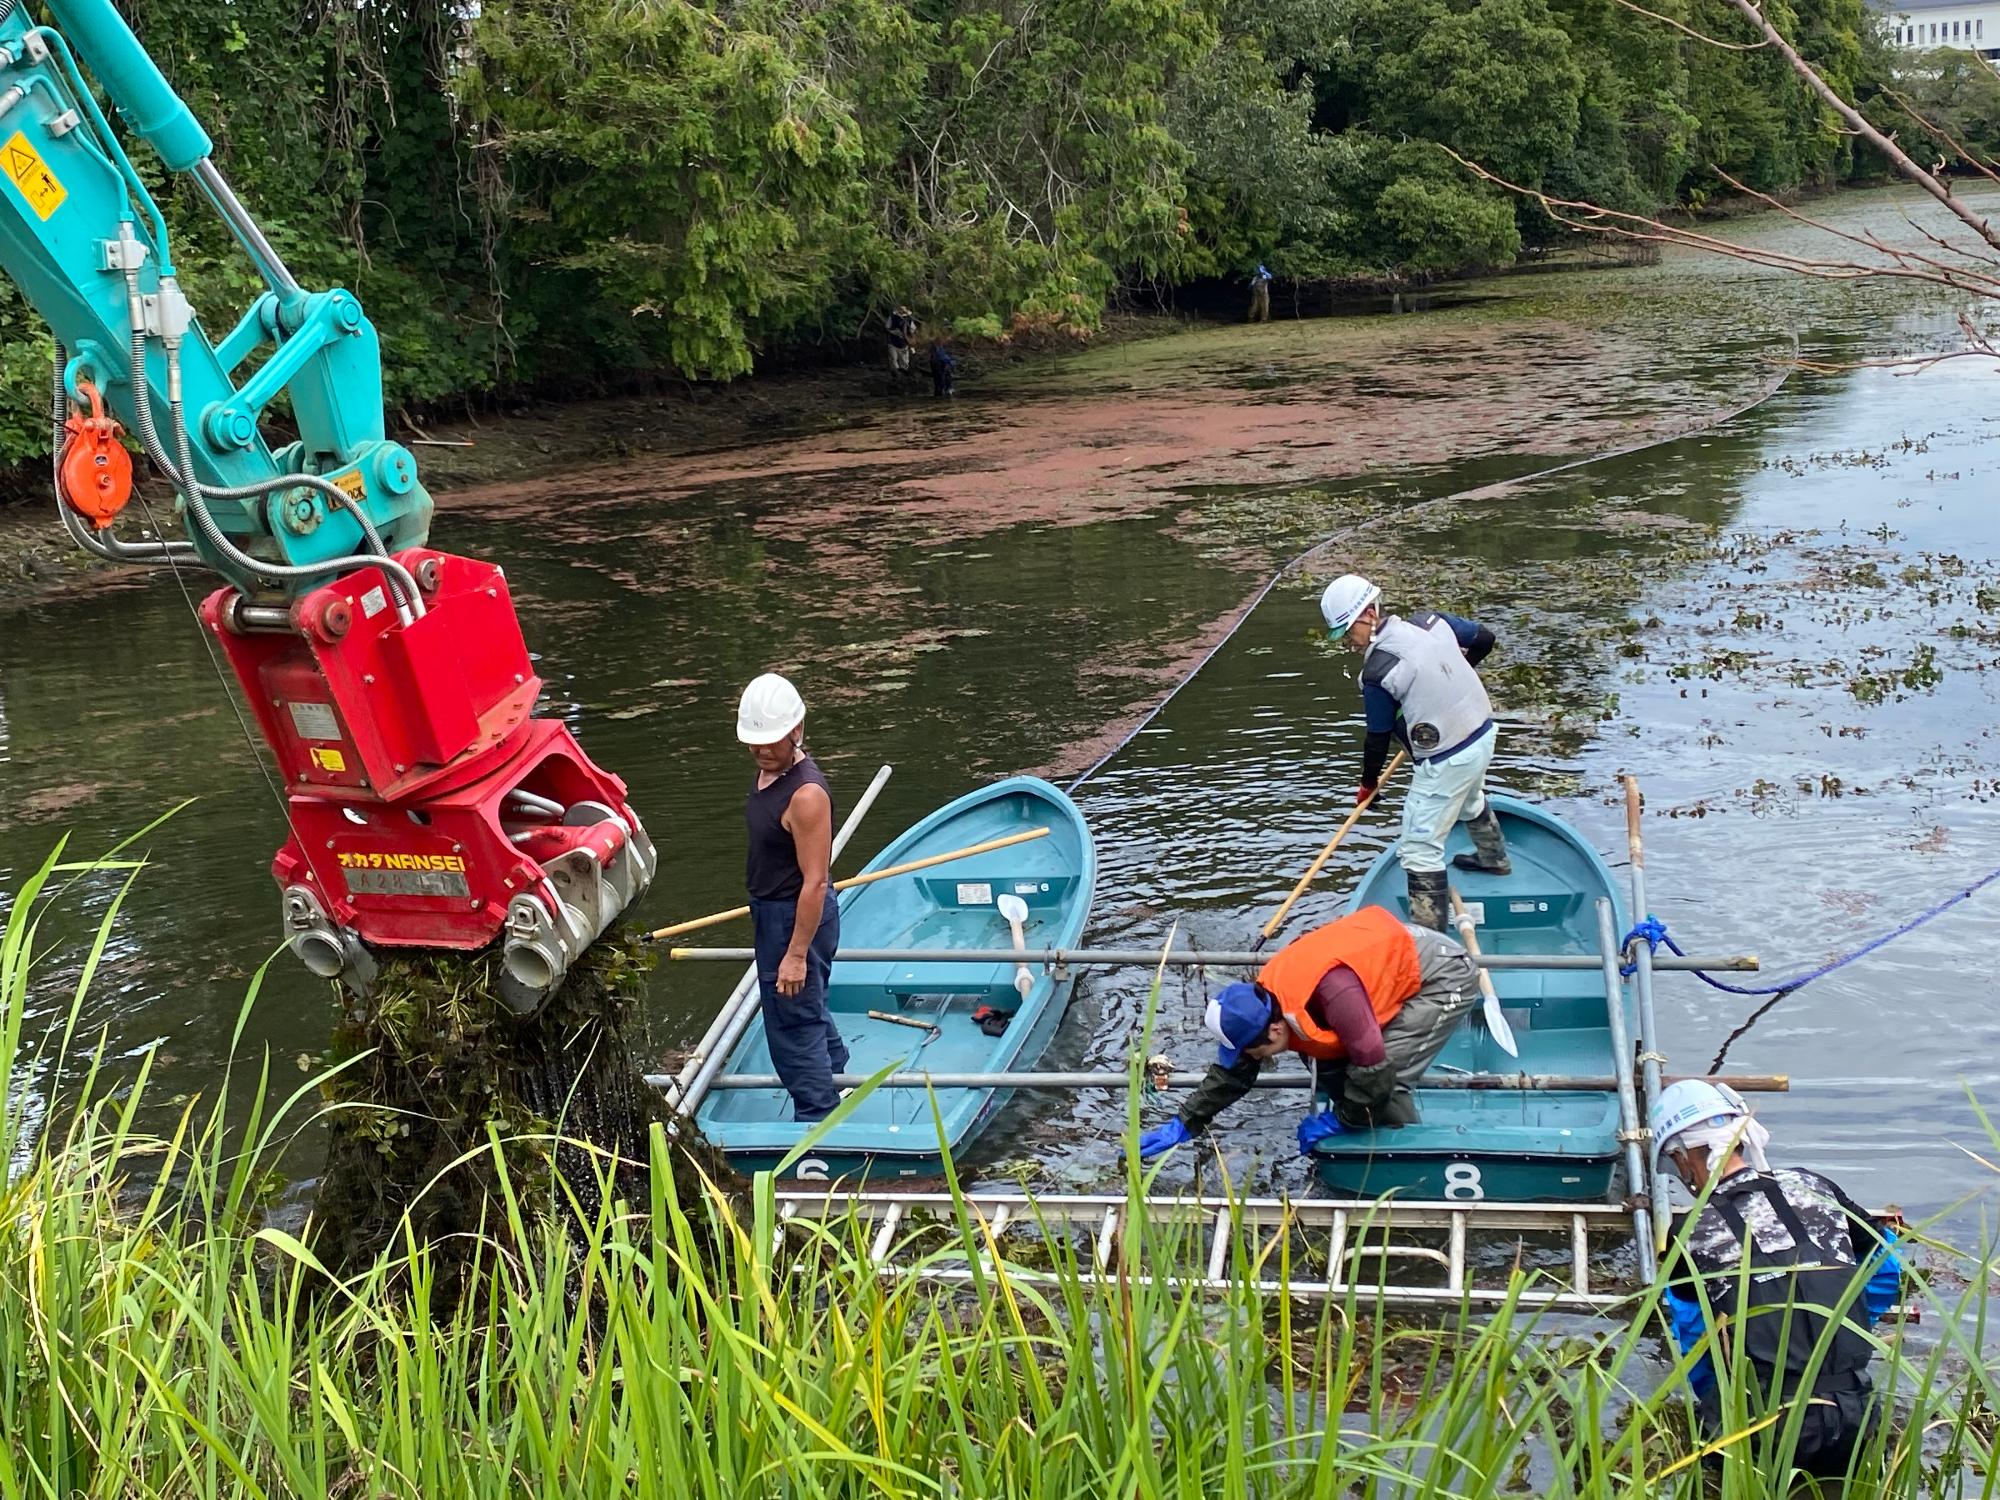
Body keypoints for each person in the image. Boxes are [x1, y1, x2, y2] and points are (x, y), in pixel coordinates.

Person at [1653, 1080, 1902, 1483]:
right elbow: (1886, 1265)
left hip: (1763, 1424)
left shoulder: (1691, 1232)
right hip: (1855, 1414)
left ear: (1683, 1158)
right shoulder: (1813, 1185)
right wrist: (1846, 1324)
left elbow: (1698, 1346)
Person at [1136, 905, 1477, 1159]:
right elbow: (1235, 1074)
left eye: (1253, 1052)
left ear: (1275, 1029)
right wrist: (1186, 1121)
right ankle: (1368, 1131)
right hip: (1378, 967)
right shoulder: (1263, 1006)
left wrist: (1342, 1120)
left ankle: (1408, 1156)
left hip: (1440, 975)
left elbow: (1373, 1067)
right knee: (1336, 1070)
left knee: (1390, 1076)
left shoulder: (1334, 994)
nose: (1251, 1060)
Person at [1320, 574, 1505, 933]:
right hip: (1482, 732)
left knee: (1420, 847)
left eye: (1348, 633)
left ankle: (1429, 943)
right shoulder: (1432, 623)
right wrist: (1451, 680)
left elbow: (1377, 736)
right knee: (1469, 798)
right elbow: (1484, 639)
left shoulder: (1378, 671)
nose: (1349, 643)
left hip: (1448, 756)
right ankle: (1494, 858)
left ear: (1367, 616)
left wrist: (1367, 784)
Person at [736, 672, 849, 1122]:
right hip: (772, 912)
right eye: (754, 742)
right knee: (805, 1003)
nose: (762, 750)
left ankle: (818, 1117)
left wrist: (796, 954)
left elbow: (816, 881)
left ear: (797, 730)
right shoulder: (768, 773)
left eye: (771, 742)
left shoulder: (805, 795)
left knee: (790, 1024)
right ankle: (836, 1064)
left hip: (797, 915)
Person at [886, 304, 917, 375]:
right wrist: (895, 332)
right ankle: (895, 373)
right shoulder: (893, 317)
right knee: (893, 359)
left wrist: (910, 339)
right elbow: (887, 327)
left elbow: (912, 329)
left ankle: (904, 372)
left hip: (904, 342)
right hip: (892, 341)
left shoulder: (909, 319)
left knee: (904, 360)